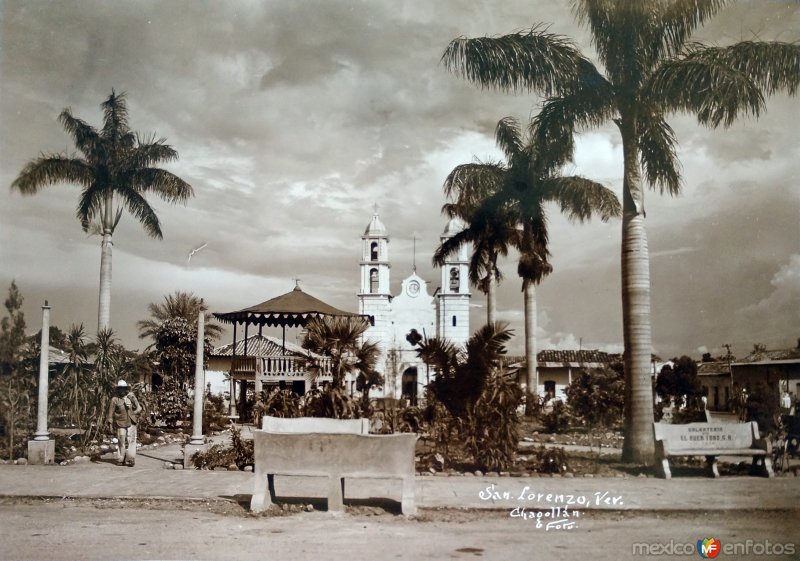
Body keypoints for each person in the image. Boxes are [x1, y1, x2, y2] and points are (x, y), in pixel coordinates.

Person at [106, 380, 142, 467]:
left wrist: (133, 412)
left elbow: (139, 408)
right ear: (118, 390)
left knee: (131, 440)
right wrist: (110, 424)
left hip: (131, 422)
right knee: (121, 440)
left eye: (124, 389)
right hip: (120, 422)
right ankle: (121, 458)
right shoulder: (115, 400)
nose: (122, 391)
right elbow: (110, 413)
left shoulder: (130, 397)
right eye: (120, 389)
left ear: (126, 389)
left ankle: (130, 459)